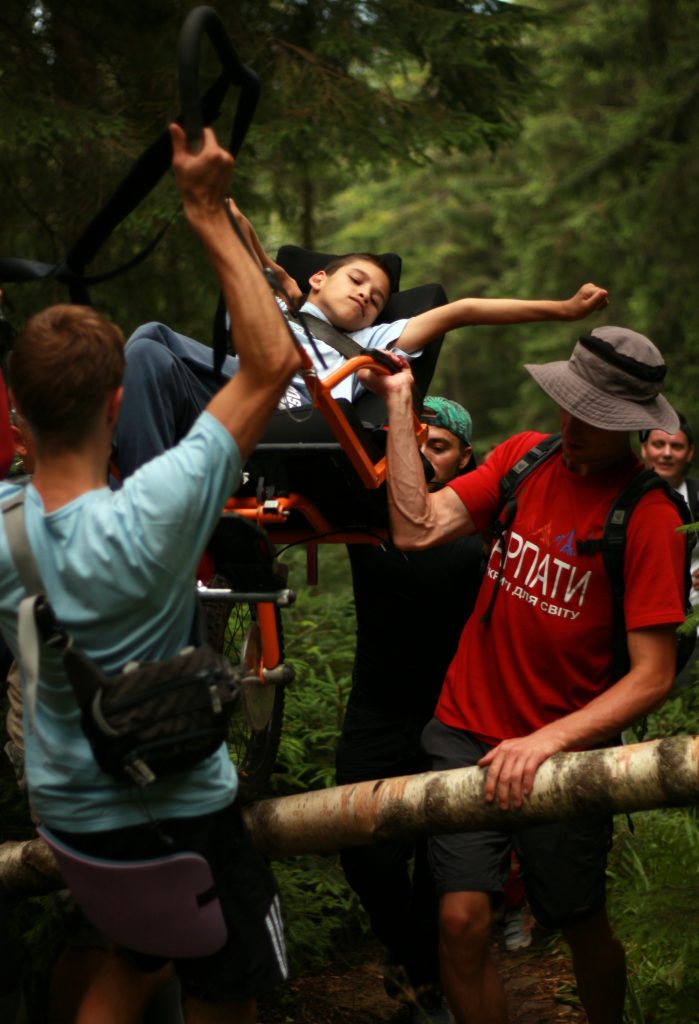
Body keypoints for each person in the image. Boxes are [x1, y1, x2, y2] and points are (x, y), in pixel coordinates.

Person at [0, 123, 301, 1024]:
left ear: (15, 418)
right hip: (180, 817)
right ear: (117, 404)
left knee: (133, 961)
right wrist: (205, 210)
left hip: (71, 822)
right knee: (227, 990)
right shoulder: (160, 507)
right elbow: (271, 363)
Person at [368, 325, 688, 1024]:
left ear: (633, 426)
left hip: (565, 755)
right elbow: (413, 527)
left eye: (595, 417)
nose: (573, 424)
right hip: (462, 730)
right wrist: (399, 406)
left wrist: (544, 743)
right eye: (570, 404)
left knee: (578, 921)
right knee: (458, 922)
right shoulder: (523, 459)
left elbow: (652, 676)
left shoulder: (649, 517)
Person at [112, 211, 608, 478]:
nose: (366, 296)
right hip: (233, 392)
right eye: (356, 281)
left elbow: (463, 311)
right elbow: (253, 252)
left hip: (299, 408)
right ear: (319, 279)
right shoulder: (282, 303)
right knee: (147, 346)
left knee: (153, 340)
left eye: (376, 298)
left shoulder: (373, 339)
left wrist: (565, 309)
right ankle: (140, 494)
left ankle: (140, 507)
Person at [336, 396, 484, 1024]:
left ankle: (428, 983)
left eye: (439, 446)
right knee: (361, 849)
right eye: (414, 441)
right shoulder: (371, 514)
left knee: (437, 862)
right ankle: (417, 961)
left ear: (466, 460)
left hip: (449, 713)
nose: (423, 454)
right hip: (375, 709)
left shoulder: (482, 531)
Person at [640, 415, 699, 690]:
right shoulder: (624, 496)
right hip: (640, 621)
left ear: (689, 453)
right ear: (644, 449)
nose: (666, 453)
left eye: (675, 447)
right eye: (658, 444)